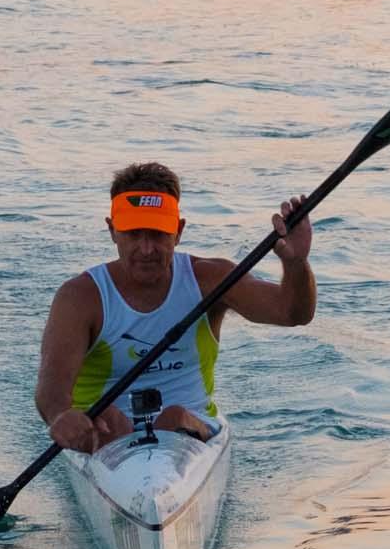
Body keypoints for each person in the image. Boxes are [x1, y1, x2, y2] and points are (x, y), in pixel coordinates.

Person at [34, 162, 315, 453]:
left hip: (191, 431)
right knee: (111, 419)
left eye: (157, 234)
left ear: (178, 231)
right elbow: (51, 384)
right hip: (105, 437)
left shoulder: (210, 279)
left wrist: (295, 264)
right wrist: (60, 415)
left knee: (173, 418)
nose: (145, 249)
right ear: (112, 230)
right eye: (133, 233)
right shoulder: (80, 297)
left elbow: (292, 313)